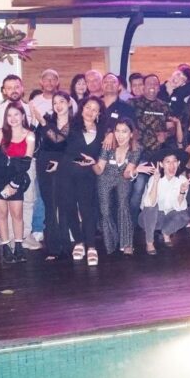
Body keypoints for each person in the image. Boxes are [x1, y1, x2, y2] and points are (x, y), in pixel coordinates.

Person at [0, 75, 41, 250]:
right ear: (4, 91)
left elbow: (33, 134)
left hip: (26, 162)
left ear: (22, 88)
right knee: (8, 201)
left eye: (16, 86)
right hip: (5, 166)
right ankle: (10, 237)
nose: (14, 90)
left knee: (28, 200)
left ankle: (25, 235)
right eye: (9, 87)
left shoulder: (30, 109)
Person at [0, 103, 35, 263]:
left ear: (23, 116)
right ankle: (6, 246)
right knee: (2, 214)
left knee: (17, 214)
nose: (13, 118)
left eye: (16, 114)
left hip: (16, 178)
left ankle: (18, 246)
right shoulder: (1, 133)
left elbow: (26, 164)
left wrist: (14, 184)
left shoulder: (30, 135)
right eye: (9, 115)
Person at [94, 120, 144, 255]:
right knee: (105, 211)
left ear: (131, 134)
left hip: (123, 177)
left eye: (124, 131)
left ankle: (127, 243)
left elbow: (127, 173)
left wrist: (136, 170)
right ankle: (111, 241)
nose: (120, 135)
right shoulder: (108, 145)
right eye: (117, 131)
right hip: (105, 176)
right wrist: (92, 163)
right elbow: (99, 169)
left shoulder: (137, 149)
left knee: (123, 204)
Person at [66, 96, 105, 266]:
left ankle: (91, 246)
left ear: (99, 113)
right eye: (88, 107)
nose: (90, 111)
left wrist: (110, 134)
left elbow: (101, 157)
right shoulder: (70, 127)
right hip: (68, 173)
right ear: (82, 109)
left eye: (95, 109)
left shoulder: (103, 132)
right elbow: (62, 151)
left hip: (88, 176)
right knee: (70, 208)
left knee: (87, 210)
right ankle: (78, 242)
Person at [38, 91, 73, 261]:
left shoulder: (76, 123)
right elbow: (44, 142)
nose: (58, 106)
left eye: (62, 101)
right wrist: (43, 123)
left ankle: (66, 245)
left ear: (69, 103)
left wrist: (43, 123)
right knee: (50, 205)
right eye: (55, 103)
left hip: (65, 164)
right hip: (45, 162)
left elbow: (60, 140)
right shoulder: (48, 120)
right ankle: (53, 247)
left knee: (64, 204)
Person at [138, 147, 190, 254]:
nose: (172, 165)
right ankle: (149, 242)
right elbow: (149, 204)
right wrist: (156, 181)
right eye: (168, 162)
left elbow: (180, 208)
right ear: (161, 164)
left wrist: (182, 191)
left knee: (185, 215)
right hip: (148, 219)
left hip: (167, 218)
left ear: (178, 163)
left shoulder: (182, 181)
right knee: (152, 207)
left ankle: (166, 233)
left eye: (174, 161)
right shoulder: (154, 179)